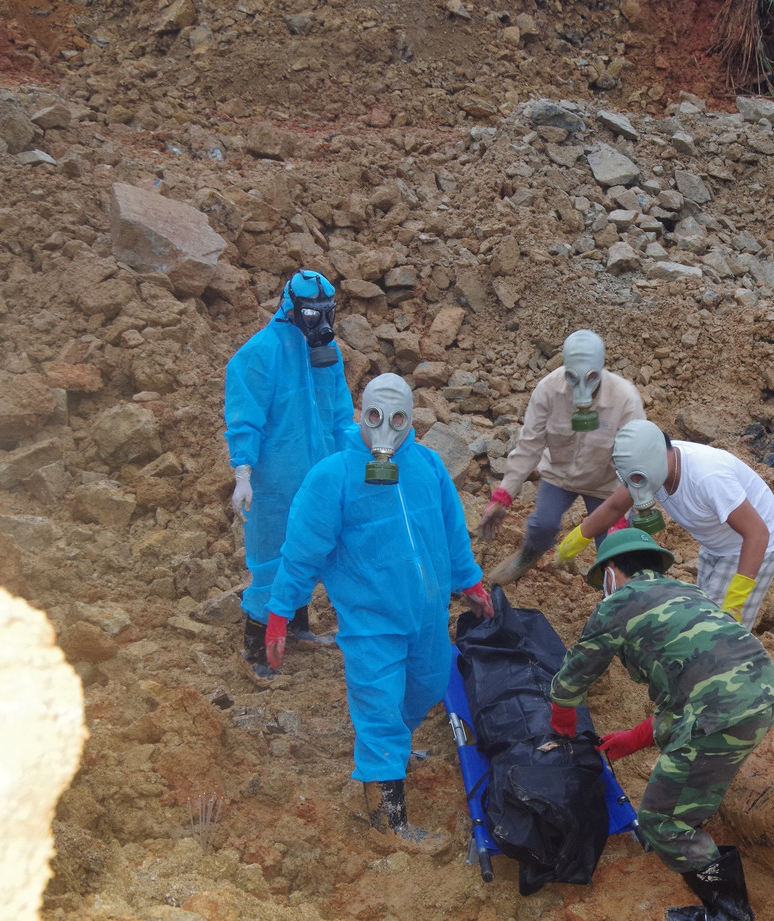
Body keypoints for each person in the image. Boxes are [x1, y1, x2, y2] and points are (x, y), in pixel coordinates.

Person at [261, 373, 493, 851]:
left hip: (427, 614)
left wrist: (468, 580)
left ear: (411, 419)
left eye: (399, 418)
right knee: (380, 708)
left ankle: (396, 749)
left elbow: (451, 530)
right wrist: (281, 612)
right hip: (371, 624)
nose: (386, 428)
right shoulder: (333, 478)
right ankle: (388, 823)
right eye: (375, 417)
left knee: (428, 684)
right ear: (361, 415)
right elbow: (301, 552)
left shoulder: (427, 465)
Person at [548, 528, 774, 921]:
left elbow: (576, 673)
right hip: (766, 692)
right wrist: (635, 738)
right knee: (689, 769)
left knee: (661, 821)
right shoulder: (686, 593)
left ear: (610, 571)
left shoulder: (618, 605)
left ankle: (729, 915)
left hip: (721, 713)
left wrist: (561, 712)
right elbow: (683, 693)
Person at [224, 268, 354, 678]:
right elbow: (245, 417)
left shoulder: (326, 354)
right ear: (291, 308)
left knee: (307, 551)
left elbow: (340, 415)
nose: (322, 324)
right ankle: (256, 648)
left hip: (318, 477)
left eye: (327, 314)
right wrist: (242, 472)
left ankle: (297, 625)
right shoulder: (261, 353)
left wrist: (356, 459)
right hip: (275, 481)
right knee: (270, 560)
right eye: (312, 316)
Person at [554, 420, 774, 630]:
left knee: (718, 630)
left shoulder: (708, 476)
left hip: (751, 544)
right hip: (715, 543)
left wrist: (735, 601)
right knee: (702, 615)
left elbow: (757, 534)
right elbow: (613, 508)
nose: (635, 485)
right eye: (631, 479)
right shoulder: (644, 467)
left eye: (637, 479)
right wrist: (571, 545)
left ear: (654, 460)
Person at [478, 329, 645, 585]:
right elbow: (530, 444)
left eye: (591, 377)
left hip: (606, 485)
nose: (580, 386)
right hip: (560, 475)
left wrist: (621, 513)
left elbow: (636, 460)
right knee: (542, 525)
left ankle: (617, 600)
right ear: (564, 367)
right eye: (572, 376)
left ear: (600, 368)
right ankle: (528, 555)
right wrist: (504, 494)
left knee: (614, 550)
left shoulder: (625, 398)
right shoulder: (548, 390)